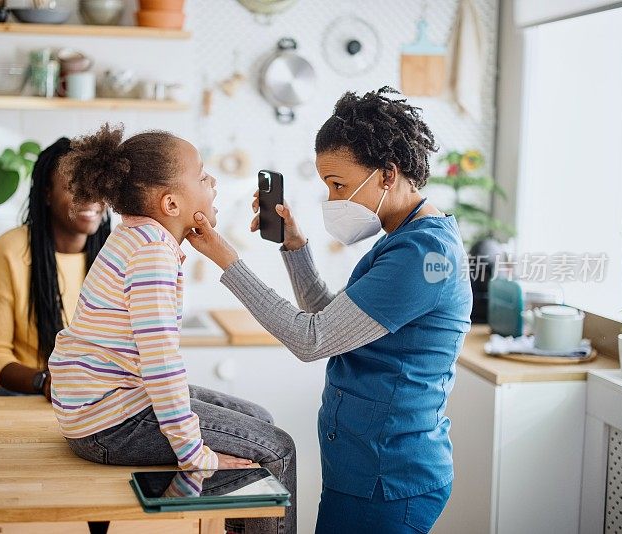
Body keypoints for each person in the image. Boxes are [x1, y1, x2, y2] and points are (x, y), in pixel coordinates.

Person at [186, 87, 473, 534]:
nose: (332, 200)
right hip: (362, 469)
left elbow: (311, 339)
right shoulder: (400, 240)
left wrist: (226, 258)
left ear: (387, 174)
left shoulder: (422, 256)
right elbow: (331, 321)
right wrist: (294, 247)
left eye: (338, 185)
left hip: (389, 476)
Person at [48, 124, 298, 534]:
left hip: (104, 409)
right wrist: (194, 452)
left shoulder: (137, 236)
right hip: (111, 423)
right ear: (170, 203)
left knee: (260, 420)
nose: (213, 181)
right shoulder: (152, 254)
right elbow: (161, 364)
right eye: (202, 175)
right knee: (277, 448)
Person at [0, 137, 111, 399]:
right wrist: (46, 382)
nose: (90, 197)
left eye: (96, 185)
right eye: (74, 186)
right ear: (47, 193)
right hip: (19, 394)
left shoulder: (114, 255)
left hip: (91, 399)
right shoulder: (10, 251)